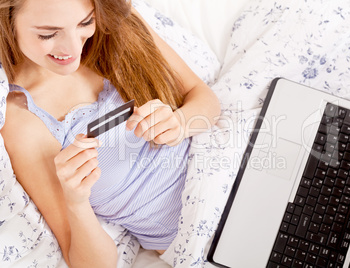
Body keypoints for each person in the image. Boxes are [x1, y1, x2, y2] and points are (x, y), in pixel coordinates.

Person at [0, 0, 221, 267]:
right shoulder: (23, 121)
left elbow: (204, 98)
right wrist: (77, 202)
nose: (73, 48)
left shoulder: (118, 29)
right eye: (48, 34)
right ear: (7, 22)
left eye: (85, 22)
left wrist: (180, 123)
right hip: (208, 238)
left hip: (233, 171)